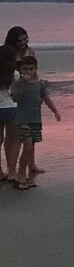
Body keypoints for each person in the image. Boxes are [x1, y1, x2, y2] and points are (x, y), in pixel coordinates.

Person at [11, 56, 59, 190]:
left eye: (31, 69)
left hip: (35, 120)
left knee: (31, 147)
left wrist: (55, 111)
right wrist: (22, 85)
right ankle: (21, 173)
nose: (28, 72)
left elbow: (46, 98)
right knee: (27, 146)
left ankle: (27, 173)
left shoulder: (39, 84)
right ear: (20, 70)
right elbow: (15, 98)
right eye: (24, 69)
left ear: (35, 70)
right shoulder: (18, 84)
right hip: (22, 120)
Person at [0, 46, 17, 182]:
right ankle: (12, 171)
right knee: (12, 140)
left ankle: (0, 171)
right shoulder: (14, 74)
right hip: (11, 108)